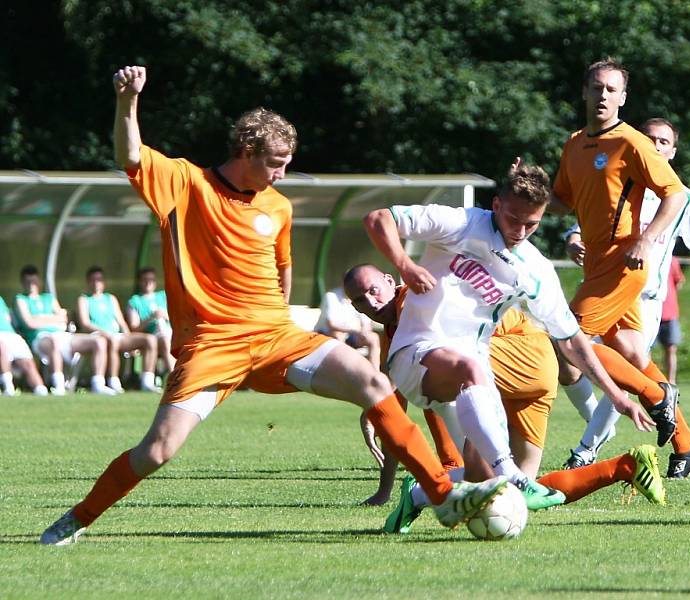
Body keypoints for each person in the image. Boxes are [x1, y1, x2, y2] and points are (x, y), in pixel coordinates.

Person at [39, 64, 506, 546]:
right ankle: (76, 518)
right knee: (157, 451)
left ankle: (442, 495)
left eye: (287, 162)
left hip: (276, 339)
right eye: (276, 162)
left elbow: (281, 268)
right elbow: (130, 154)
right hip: (213, 345)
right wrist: (127, 101)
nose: (282, 173)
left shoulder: (277, 206)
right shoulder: (187, 183)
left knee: (371, 380)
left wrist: (280, 317)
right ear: (246, 151)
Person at [362, 161, 657, 522]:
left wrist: (617, 396)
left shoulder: (536, 271)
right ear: (497, 205)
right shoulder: (461, 223)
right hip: (417, 353)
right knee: (476, 382)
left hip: (474, 372)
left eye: (531, 224)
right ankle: (511, 472)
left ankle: (420, 494)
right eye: (513, 218)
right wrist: (404, 264)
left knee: (481, 482)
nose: (519, 230)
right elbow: (378, 218)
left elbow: (572, 340)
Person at [344, 264, 665, 533]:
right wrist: (383, 484)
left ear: (390, 280)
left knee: (511, 482)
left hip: (517, 361)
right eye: (360, 300)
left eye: (373, 290)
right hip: (497, 374)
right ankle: (625, 465)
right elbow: (394, 413)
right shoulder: (395, 331)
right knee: (506, 481)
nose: (370, 302)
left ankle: (421, 491)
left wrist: (636, 393)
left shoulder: (413, 300)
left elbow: (577, 347)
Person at [547, 58, 690, 476]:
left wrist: (646, 238)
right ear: (584, 92)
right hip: (597, 264)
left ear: (622, 97)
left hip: (622, 264)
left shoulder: (632, 142)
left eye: (611, 89)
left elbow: (674, 193)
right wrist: (526, 189)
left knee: (568, 339)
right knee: (633, 354)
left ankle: (656, 396)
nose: (603, 95)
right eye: (596, 87)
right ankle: (687, 446)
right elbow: (562, 199)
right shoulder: (575, 142)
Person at [13, 265, 117, 396]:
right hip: (39, 338)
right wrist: (53, 318)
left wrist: (41, 318)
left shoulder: (48, 298)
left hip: (60, 335)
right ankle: (59, 385)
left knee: (99, 341)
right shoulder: (20, 299)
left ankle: (98, 384)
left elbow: (64, 319)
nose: (31, 285)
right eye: (28, 282)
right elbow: (30, 323)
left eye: (33, 281)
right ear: (22, 283)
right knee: (53, 342)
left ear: (38, 281)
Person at [77, 265, 161, 393]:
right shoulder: (84, 299)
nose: (96, 283)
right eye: (93, 280)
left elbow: (121, 321)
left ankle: (147, 382)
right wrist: (105, 333)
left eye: (99, 280)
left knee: (150, 339)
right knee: (112, 341)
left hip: (116, 335)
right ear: (88, 282)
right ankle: (113, 381)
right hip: (97, 335)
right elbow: (85, 323)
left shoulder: (110, 298)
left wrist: (128, 334)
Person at [314, 286, 380, 370]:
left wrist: (364, 331)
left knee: (373, 338)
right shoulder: (331, 296)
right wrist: (356, 331)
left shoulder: (362, 297)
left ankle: (374, 374)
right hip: (326, 335)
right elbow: (331, 324)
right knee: (338, 336)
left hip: (353, 336)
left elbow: (367, 324)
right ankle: (343, 372)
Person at [126, 266, 176, 375]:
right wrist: (151, 318)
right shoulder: (135, 301)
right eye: (145, 280)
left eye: (151, 280)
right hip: (151, 337)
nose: (148, 282)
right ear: (140, 281)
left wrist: (165, 316)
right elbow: (134, 328)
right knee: (165, 340)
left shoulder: (164, 296)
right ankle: (175, 376)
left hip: (171, 331)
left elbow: (178, 316)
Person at [0, 295, 48, 396]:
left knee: (28, 363)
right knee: (2, 348)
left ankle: (40, 390)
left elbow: (7, 317)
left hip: (11, 335)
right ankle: (8, 388)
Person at [658, 257, 685, 384]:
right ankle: (649, 381)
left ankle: (670, 381)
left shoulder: (672, 260)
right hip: (649, 311)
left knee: (671, 348)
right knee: (645, 350)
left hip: (669, 310)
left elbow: (679, 281)